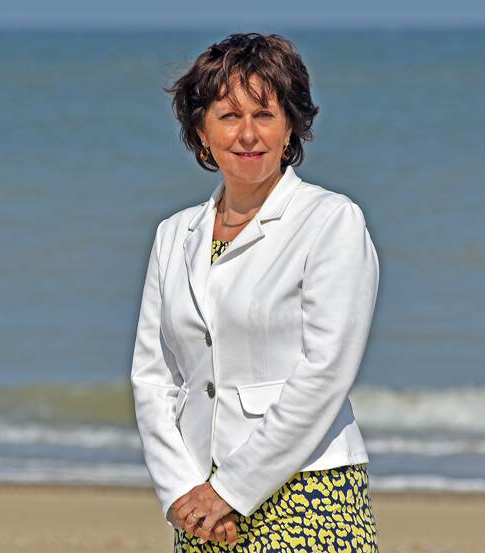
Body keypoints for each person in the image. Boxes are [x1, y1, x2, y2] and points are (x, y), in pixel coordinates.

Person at [130, 32, 381, 552]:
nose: (247, 134)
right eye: (228, 116)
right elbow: (154, 377)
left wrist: (231, 489)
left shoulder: (331, 221)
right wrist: (180, 492)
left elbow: (326, 371)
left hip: (308, 491)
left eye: (264, 115)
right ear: (201, 132)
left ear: (291, 127)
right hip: (199, 503)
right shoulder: (174, 234)